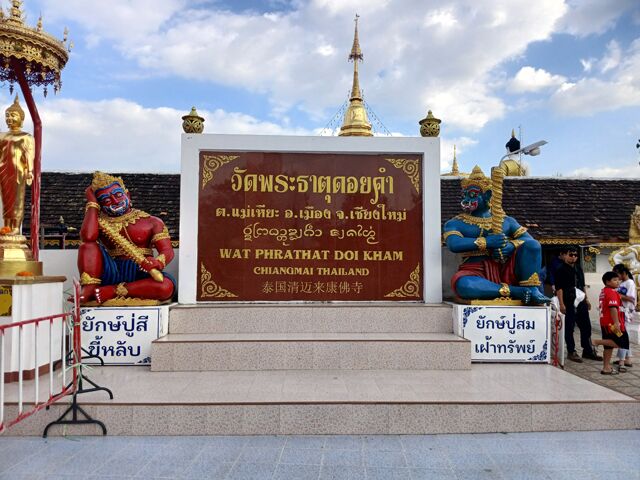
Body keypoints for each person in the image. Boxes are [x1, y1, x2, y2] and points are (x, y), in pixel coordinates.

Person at [443, 165, 549, 304]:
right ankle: (516, 291)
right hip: (474, 272)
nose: (467, 199)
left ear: (487, 195)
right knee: (463, 285)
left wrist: (511, 245)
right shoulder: (455, 223)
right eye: (465, 195)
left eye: (473, 195)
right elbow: (454, 244)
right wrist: (487, 242)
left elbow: (529, 241)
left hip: (505, 269)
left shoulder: (507, 221)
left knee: (533, 245)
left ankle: (532, 289)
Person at [78, 171, 175, 305]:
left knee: (166, 287)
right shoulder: (99, 222)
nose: (115, 201)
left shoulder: (152, 221)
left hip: (142, 271)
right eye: (106, 200)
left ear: (127, 195)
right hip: (112, 270)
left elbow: (167, 251)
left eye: (118, 195)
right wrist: (92, 204)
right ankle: (89, 289)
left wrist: (158, 262)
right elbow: (88, 237)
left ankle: (112, 291)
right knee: (87, 246)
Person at [554, 246, 601, 362]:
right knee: (569, 328)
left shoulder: (579, 268)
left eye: (575, 255)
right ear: (564, 255)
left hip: (580, 300)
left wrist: (587, 299)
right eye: (571, 255)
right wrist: (561, 304)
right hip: (568, 301)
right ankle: (571, 351)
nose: (573, 257)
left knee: (586, 326)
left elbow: (583, 285)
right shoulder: (560, 270)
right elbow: (559, 288)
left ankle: (588, 350)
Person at [0, 96, 34, 235]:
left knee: (17, 199)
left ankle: (15, 227)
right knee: (6, 200)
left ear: (21, 118)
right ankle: (6, 226)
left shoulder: (26, 136)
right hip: (3, 170)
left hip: (18, 171)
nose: (9, 118)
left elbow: (29, 155)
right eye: (7, 115)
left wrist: (30, 171)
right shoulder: (2, 136)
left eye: (13, 115)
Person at [593, 271, 630, 375]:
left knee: (608, 346)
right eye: (614, 280)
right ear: (607, 282)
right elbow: (613, 308)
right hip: (612, 325)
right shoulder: (611, 292)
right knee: (622, 342)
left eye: (618, 279)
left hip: (605, 323)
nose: (617, 281)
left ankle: (606, 368)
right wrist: (617, 323)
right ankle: (596, 342)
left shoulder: (604, 291)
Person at [613, 264, 635, 369]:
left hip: (626, 312)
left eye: (617, 274)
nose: (616, 277)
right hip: (620, 312)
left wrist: (617, 295)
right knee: (623, 335)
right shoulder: (622, 283)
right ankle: (628, 359)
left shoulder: (630, 283)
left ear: (623, 273)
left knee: (622, 336)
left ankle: (622, 360)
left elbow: (631, 298)